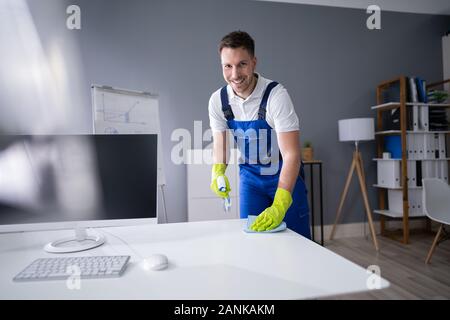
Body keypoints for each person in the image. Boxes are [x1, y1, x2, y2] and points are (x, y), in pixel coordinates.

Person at [208, 31, 310, 238]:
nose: (235, 74)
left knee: (296, 244)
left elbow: (292, 155)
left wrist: (281, 202)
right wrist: (218, 171)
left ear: (254, 62)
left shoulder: (276, 95)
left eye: (242, 64)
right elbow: (221, 146)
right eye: (228, 66)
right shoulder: (218, 101)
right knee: (251, 240)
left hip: (282, 174)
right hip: (250, 178)